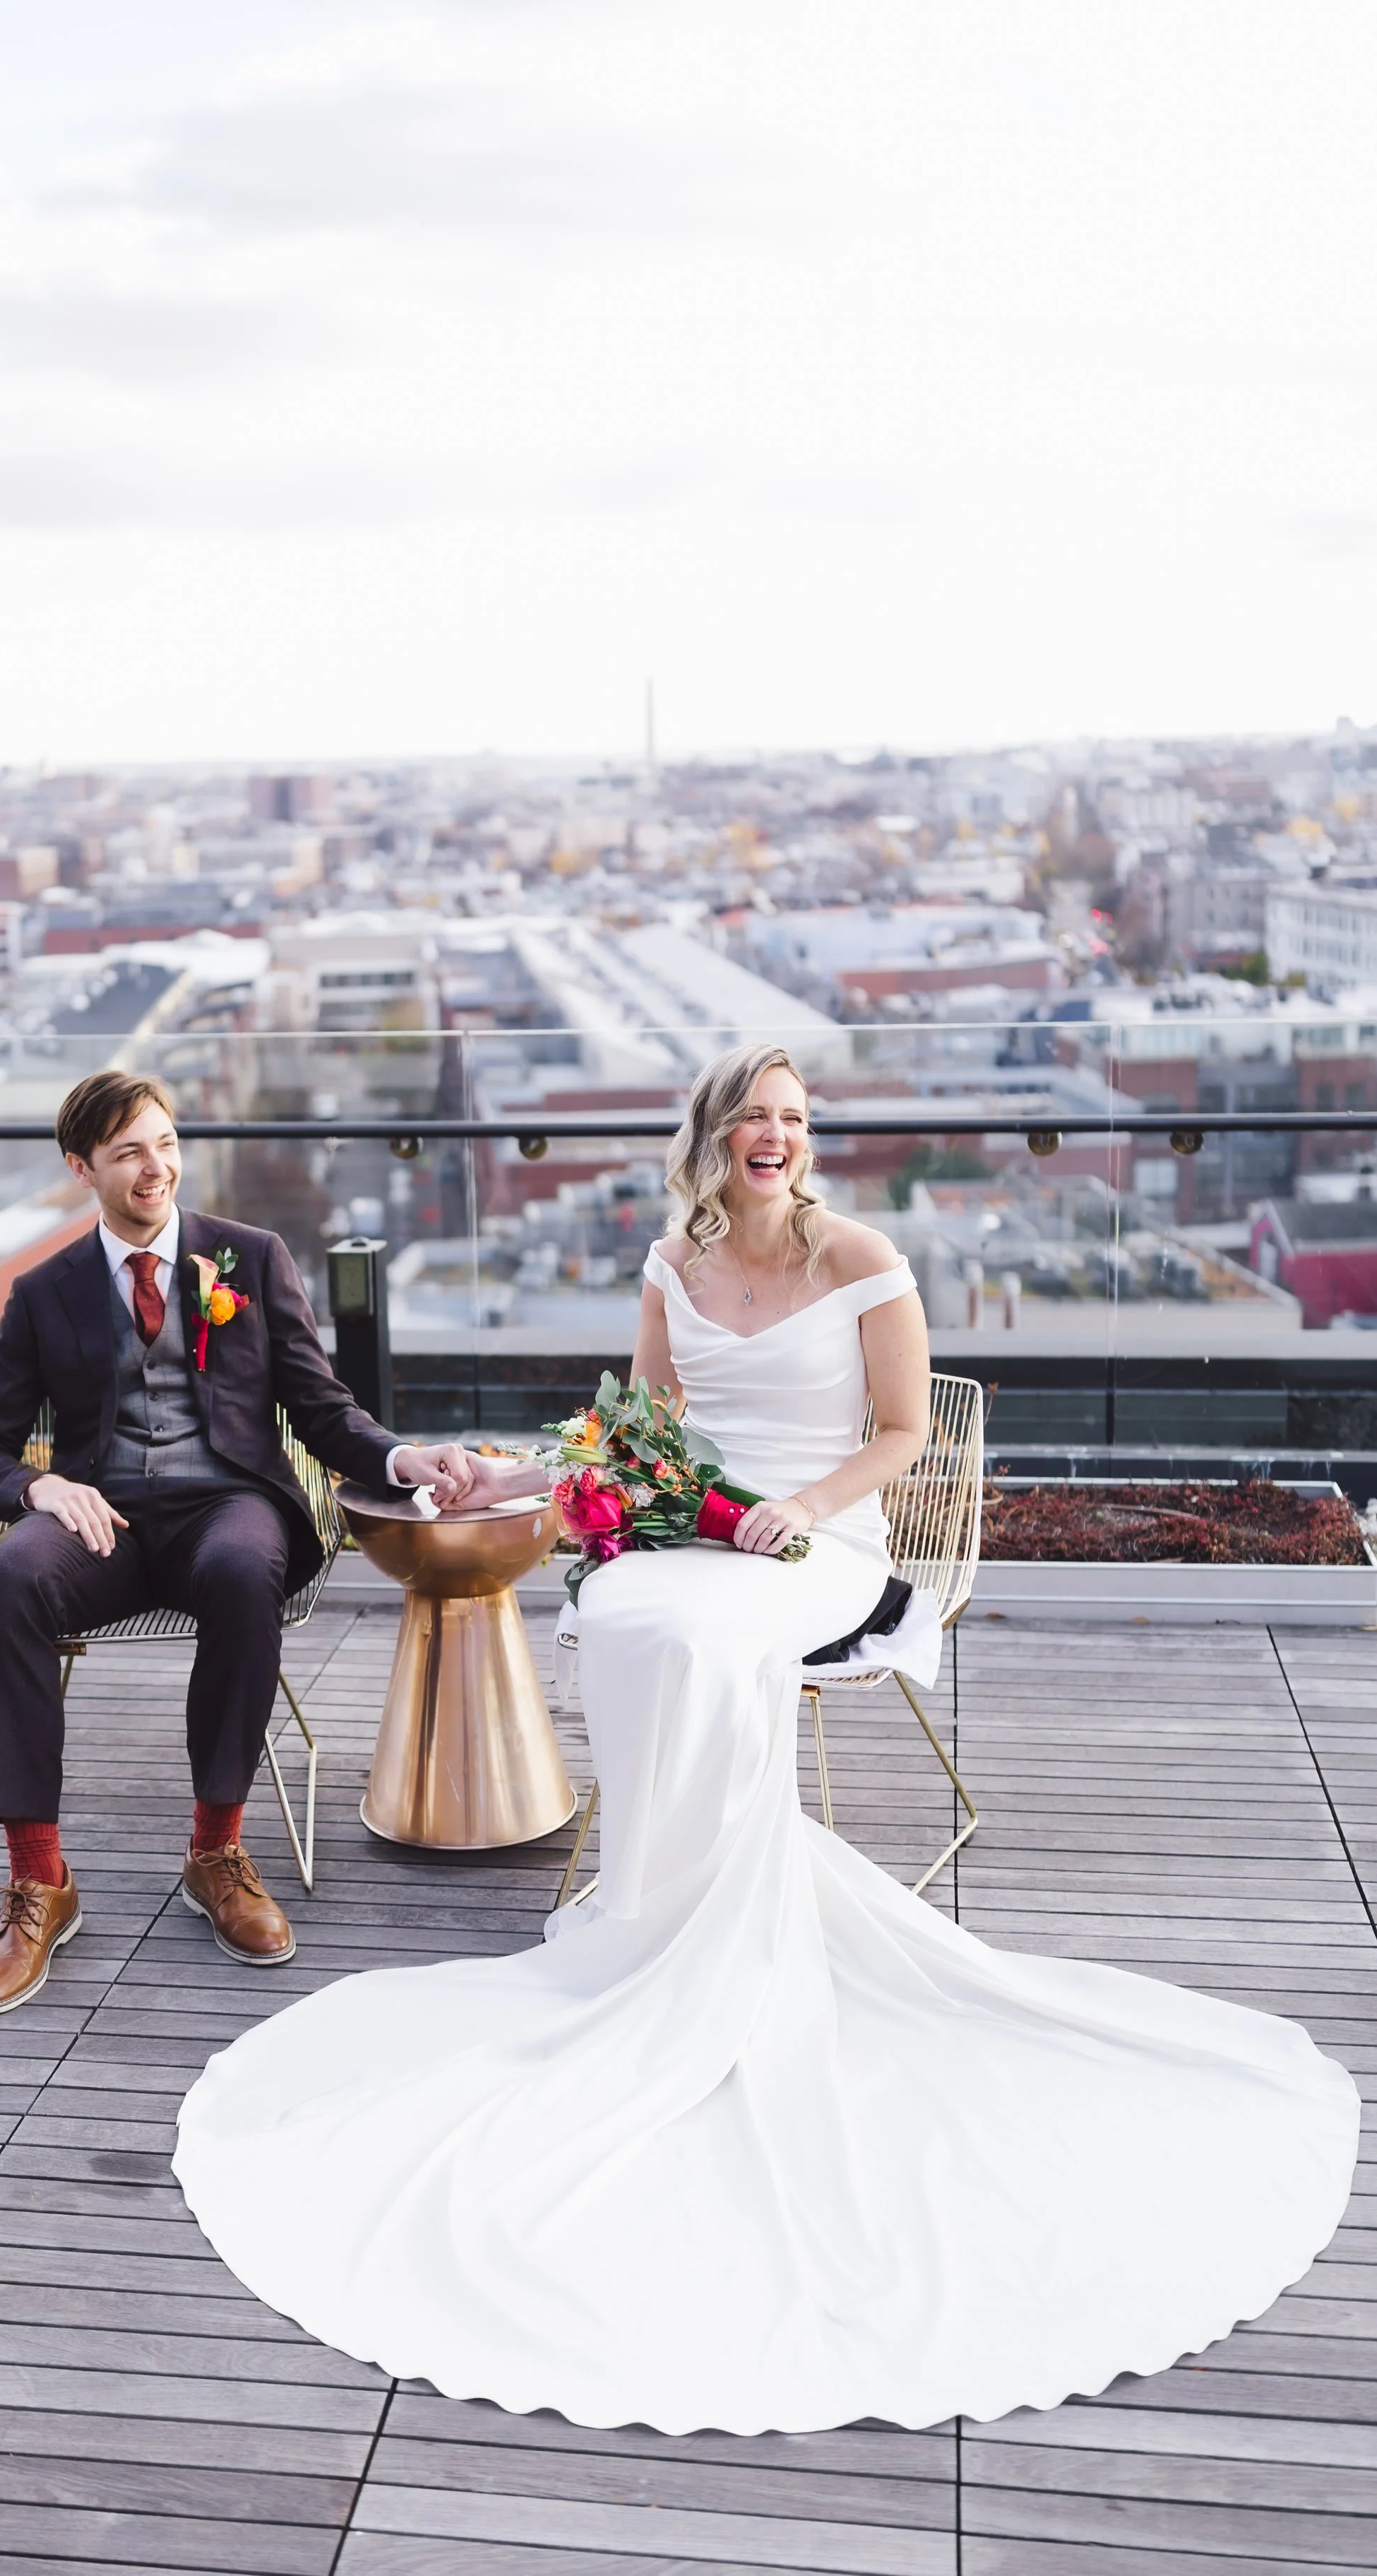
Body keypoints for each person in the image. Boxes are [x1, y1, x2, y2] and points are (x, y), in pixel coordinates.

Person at [170, 1041, 1358, 2437]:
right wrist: (532, 1471)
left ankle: (723, 1943)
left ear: (808, 1139)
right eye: (754, 1117)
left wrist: (802, 1503)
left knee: (714, 1638)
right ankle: (659, 1912)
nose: (775, 1136)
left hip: (824, 1541)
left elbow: (905, 1431)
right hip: (695, 1527)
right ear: (716, 1135)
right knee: (627, 1619)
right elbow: (648, 1429)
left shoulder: (862, 1257)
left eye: (794, 1118)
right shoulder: (671, 1264)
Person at [0, 1069, 475, 2017]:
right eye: (127, 1153)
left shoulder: (252, 1257)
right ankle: (39, 1882)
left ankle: (216, 1853)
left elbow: (320, 1407)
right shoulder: (43, 1292)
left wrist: (405, 1457)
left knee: (243, 1568)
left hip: (228, 1499)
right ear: (82, 1168)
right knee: (3, 1580)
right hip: (98, 1518)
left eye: (164, 1143)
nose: (156, 1168)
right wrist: (41, 1485)